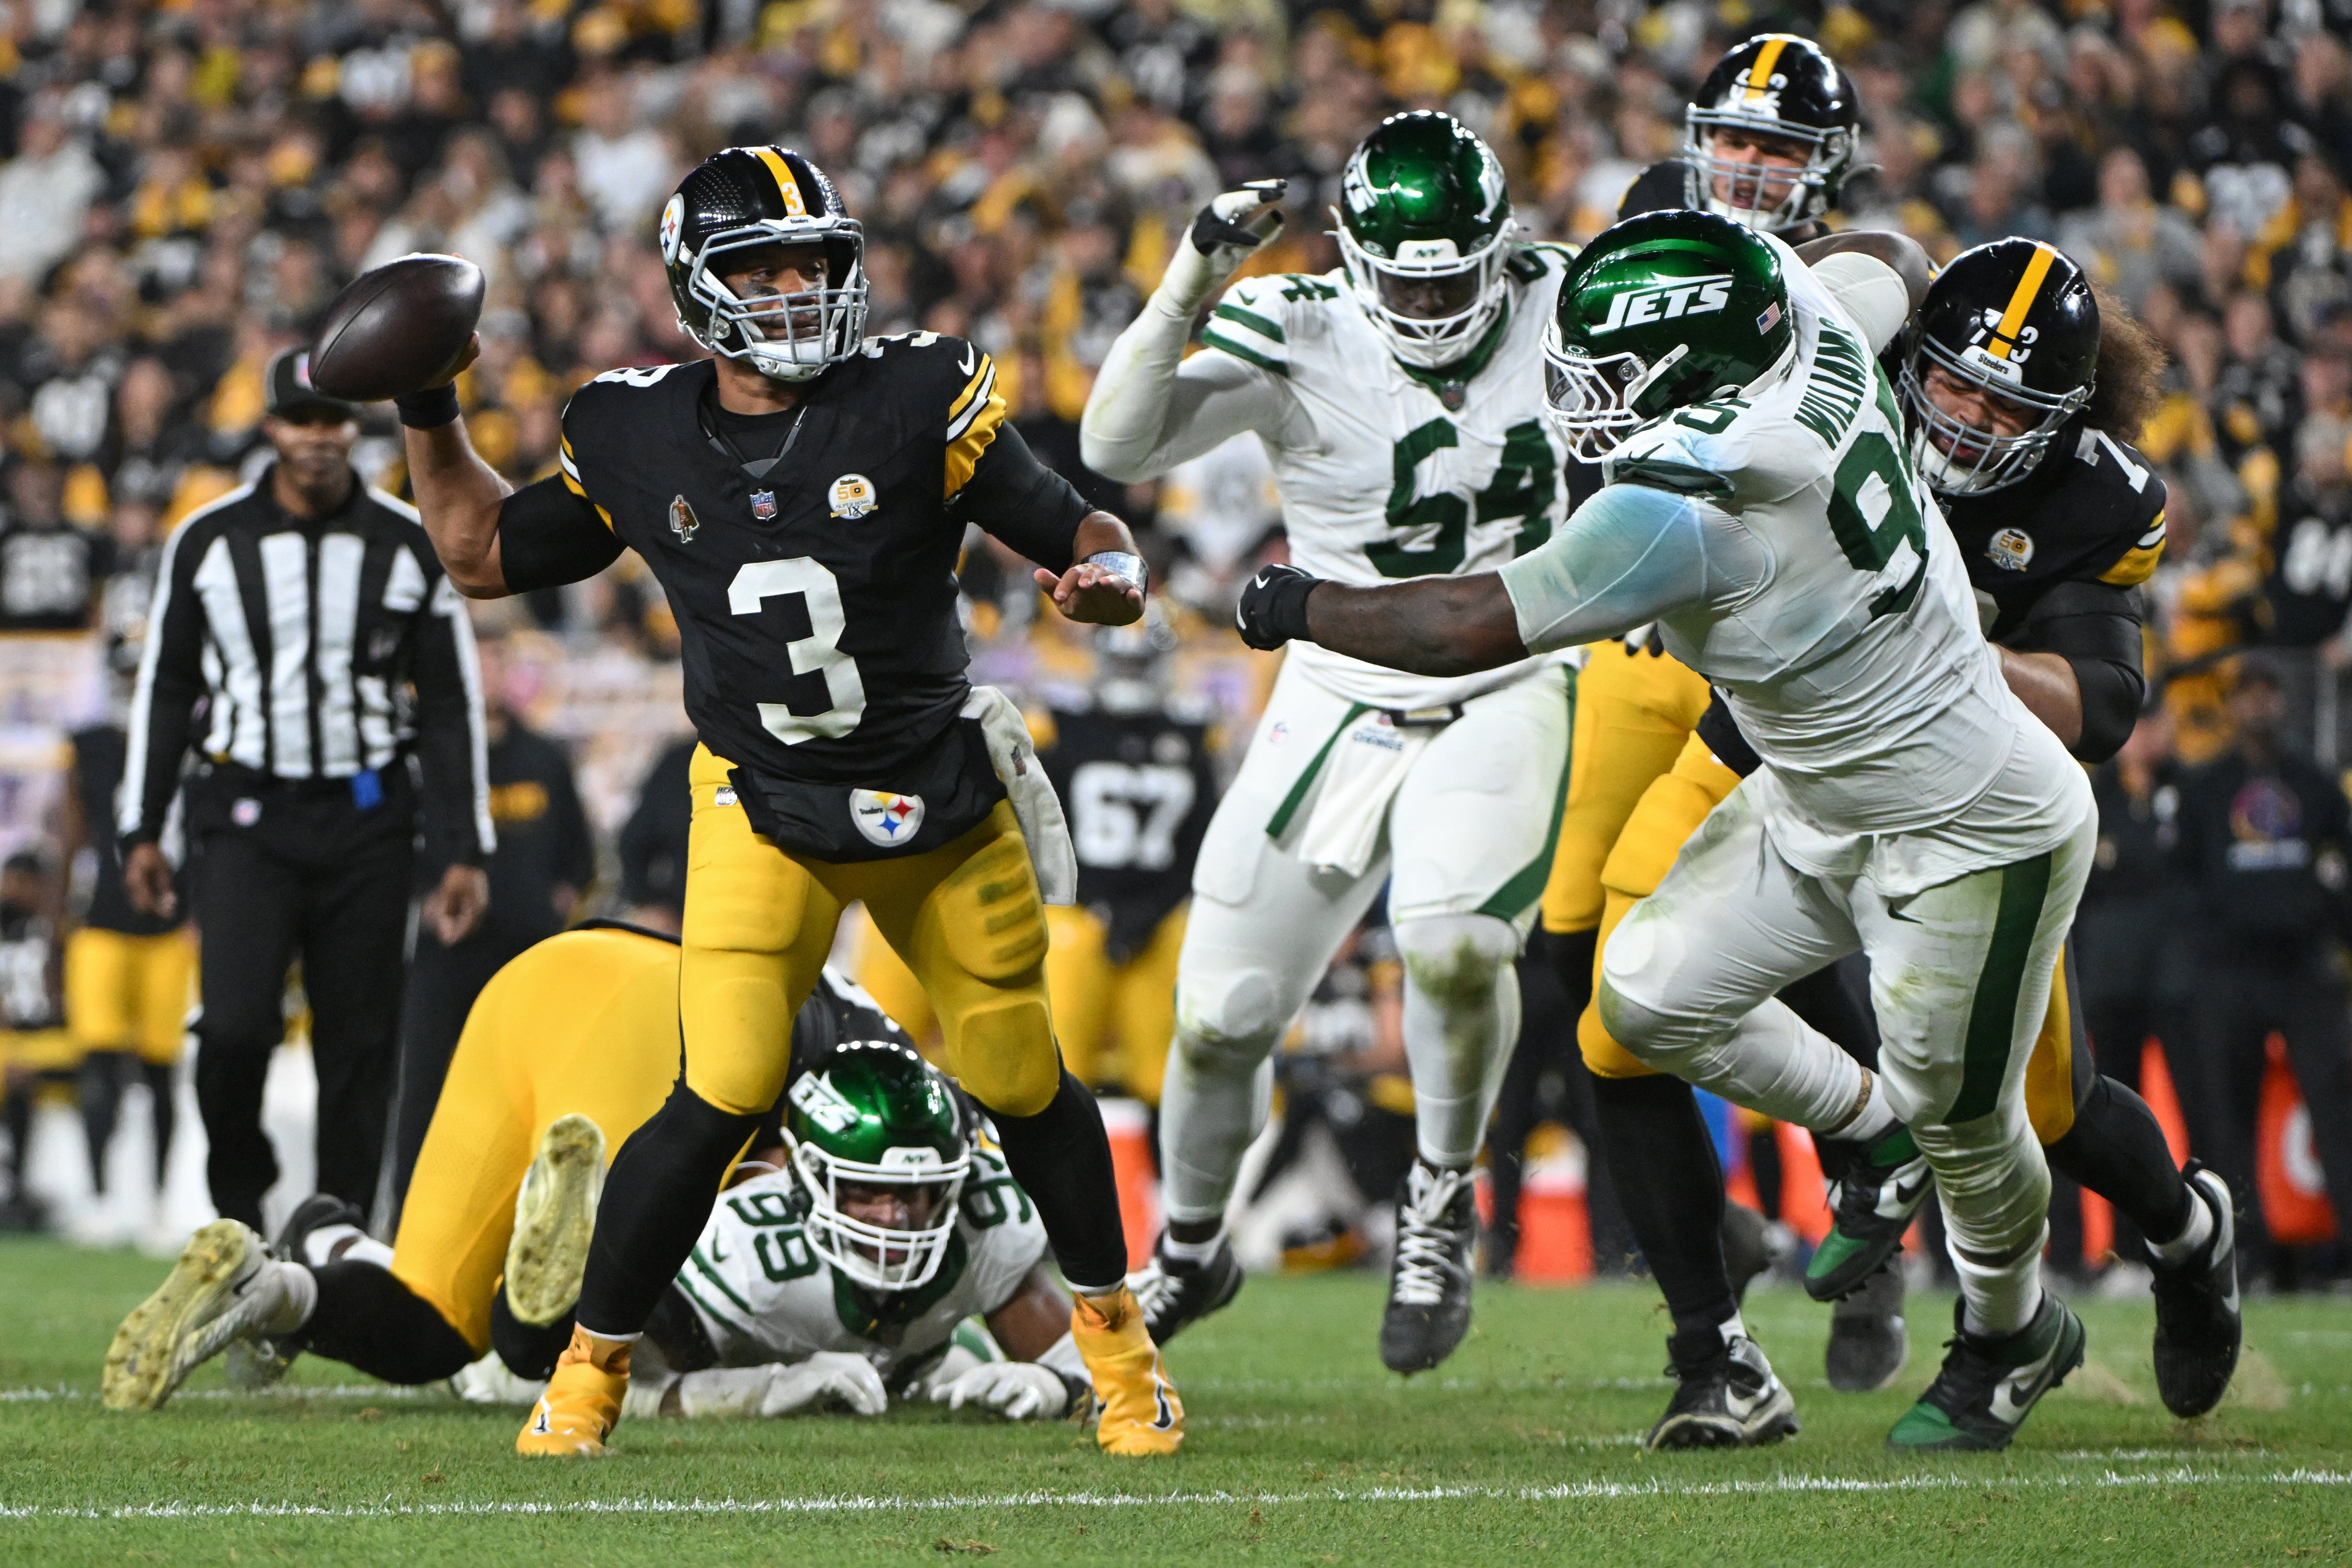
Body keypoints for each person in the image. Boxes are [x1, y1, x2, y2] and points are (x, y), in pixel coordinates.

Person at [1237, 209, 2098, 1454]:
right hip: (1812, 794)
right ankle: (1869, 1129)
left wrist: (1295, 601)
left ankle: (2012, 1334)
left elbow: (1462, 626)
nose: (1584, 392)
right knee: (1640, 1000)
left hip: (1970, 822)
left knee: (1969, 1122)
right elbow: (1892, 257)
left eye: (1616, 370)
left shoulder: (1703, 499)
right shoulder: (1812, 318)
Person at [394, 145, 1176, 1458]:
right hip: (764, 802)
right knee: (722, 1088)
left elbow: (1080, 526)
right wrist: (429, 407)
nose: (796, 289)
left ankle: (1123, 1362)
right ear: (696, 287)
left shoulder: (917, 395)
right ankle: (586, 1377)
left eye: (812, 263)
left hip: (934, 797)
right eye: (760, 269)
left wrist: (1115, 578)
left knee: (1015, 1070)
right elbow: (478, 552)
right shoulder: (634, 428)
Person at [1082, 111, 1579, 1374]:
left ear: (1501, 250)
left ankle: (1439, 1195)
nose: (1428, 304)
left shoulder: (1565, 298)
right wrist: (1190, 278)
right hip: (1340, 691)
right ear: (1355, 260)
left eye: (1451, 278)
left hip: (1507, 677)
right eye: (1403, 279)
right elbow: (1114, 444)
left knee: (1456, 945)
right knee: (1220, 1016)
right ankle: (1192, 1247)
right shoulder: (1298, 322)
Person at [106, 931, 1085, 1427]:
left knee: (430, 1323)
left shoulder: (891, 1116)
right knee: (538, 1350)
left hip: (553, 976)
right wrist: (773, 1384)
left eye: (913, 1197)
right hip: (662, 1042)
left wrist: (1024, 1375)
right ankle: (557, 1238)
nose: (898, 1216)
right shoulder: (838, 1176)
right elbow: (633, 1372)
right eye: (882, 1194)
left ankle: (284, 1276)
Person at [117, 349, 492, 1231]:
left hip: (369, 819)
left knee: (360, 1045)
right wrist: (142, 826)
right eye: (301, 420)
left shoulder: (407, 541)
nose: (318, 438)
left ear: (354, 431)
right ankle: (240, 1202)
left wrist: (464, 847)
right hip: (245, 813)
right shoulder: (208, 541)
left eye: (333, 421)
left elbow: (449, 702)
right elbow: (167, 687)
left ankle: (338, 1233)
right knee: (233, 1028)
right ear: (271, 427)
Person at [391, 632, 593, 1203]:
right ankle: (408, 1217)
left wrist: (557, 898)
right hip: (448, 953)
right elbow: (395, 842)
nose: (489, 676)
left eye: (498, 664)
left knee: (536, 1091)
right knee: (426, 1091)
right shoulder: (427, 760)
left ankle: (538, 1214)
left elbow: (578, 852)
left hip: (529, 954)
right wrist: (422, 898)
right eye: (477, 664)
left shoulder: (544, 757)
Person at [2172, 655, 2352, 1286]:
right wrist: (2212, 942)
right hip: (2229, 972)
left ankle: (2344, 1253)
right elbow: (2183, 878)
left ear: (2282, 700)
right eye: (2246, 693)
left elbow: (2343, 862)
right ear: (2230, 705)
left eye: (2267, 691)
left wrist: (2321, 919)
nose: (2257, 704)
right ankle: (2243, 1253)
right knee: (2227, 1116)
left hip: (2304, 968)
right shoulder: (2206, 786)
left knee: (2336, 1106)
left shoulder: (2314, 780)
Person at [1033, 611, 1218, 1106]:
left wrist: (1148, 913)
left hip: (1159, 917)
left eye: (1140, 665)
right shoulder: (1061, 728)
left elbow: (1202, 842)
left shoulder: (1192, 735)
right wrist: (1089, 901)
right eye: (1121, 664)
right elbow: (1038, 829)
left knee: (1162, 1077)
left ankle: (1161, 1156)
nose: (1130, 675)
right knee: (1060, 1068)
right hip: (1076, 914)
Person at [62, 653, 195, 1245]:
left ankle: (159, 1202)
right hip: (102, 923)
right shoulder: (92, 745)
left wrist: (202, 912)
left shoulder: (190, 740)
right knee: (99, 1065)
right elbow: (72, 831)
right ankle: (99, 1197)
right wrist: (58, 921)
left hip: (169, 927)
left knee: (162, 1070)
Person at [0, 850, 70, 1231]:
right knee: (14, 1066)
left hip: (53, 1040)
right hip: (11, 1043)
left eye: (20, 882)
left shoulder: (55, 931)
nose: (11, 890)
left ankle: (18, 1186)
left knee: (19, 1073)